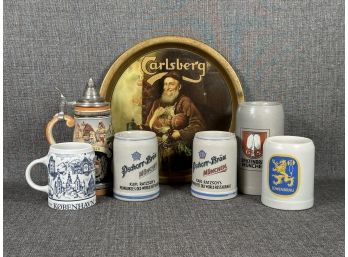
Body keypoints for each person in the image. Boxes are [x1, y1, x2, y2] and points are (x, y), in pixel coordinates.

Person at [145, 72, 206, 161]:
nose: (167, 88)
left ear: (179, 87)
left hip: (179, 151)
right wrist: (155, 116)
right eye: (165, 84)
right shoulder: (157, 103)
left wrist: (181, 133)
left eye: (171, 84)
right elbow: (147, 127)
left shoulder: (185, 101)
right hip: (157, 150)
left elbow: (198, 125)